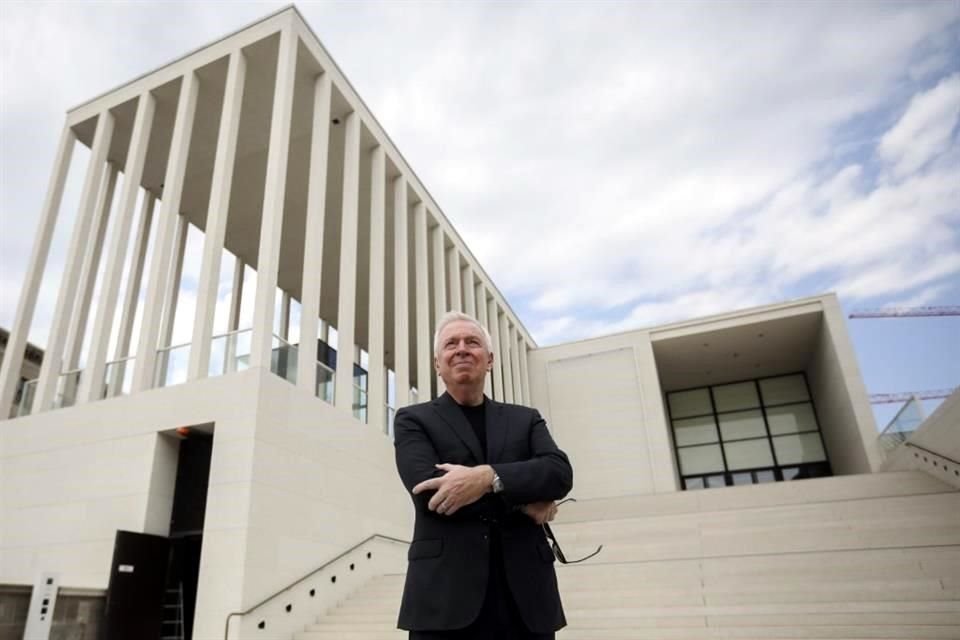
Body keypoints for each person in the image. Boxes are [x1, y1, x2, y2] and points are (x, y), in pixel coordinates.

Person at [393, 311, 573, 639]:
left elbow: (559, 473)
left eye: (472, 342)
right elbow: (429, 491)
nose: (462, 349)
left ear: (489, 360)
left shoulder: (526, 419)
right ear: (438, 363)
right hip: (445, 602)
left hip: (527, 603)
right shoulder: (412, 420)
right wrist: (520, 499)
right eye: (451, 343)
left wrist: (488, 477)